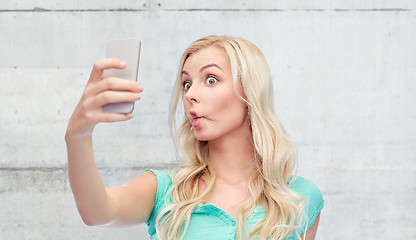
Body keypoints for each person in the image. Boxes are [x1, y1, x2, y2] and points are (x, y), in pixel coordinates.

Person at [65, 35, 324, 240]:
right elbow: (98, 212)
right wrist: (78, 135)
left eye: (211, 79)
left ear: (250, 91)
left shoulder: (301, 196)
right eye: (187, 84)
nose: (190, 94)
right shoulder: (163, 190)